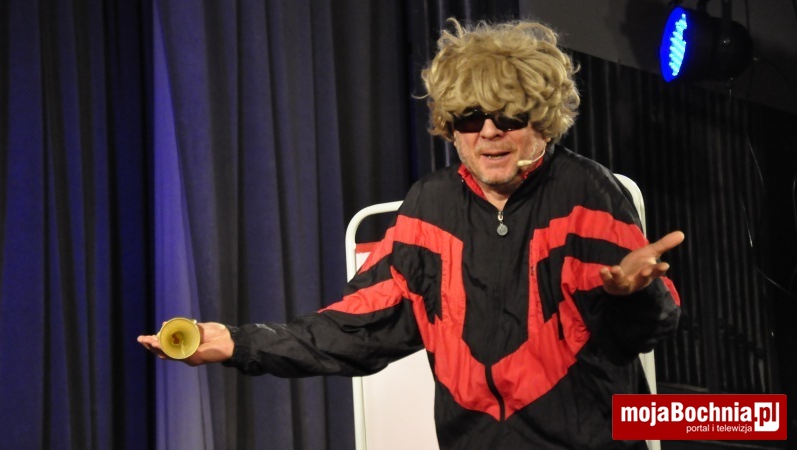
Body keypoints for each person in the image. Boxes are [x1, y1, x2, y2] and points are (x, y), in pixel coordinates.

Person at [139, 18, 683, 449]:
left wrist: (637, 295)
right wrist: (238, 342)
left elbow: (641, 333)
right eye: (469, 118)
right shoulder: (429, 208)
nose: (488, 133)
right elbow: (356, 329)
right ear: (450, 128)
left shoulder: (589, 193)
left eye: (507, 117)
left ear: (540, 120)